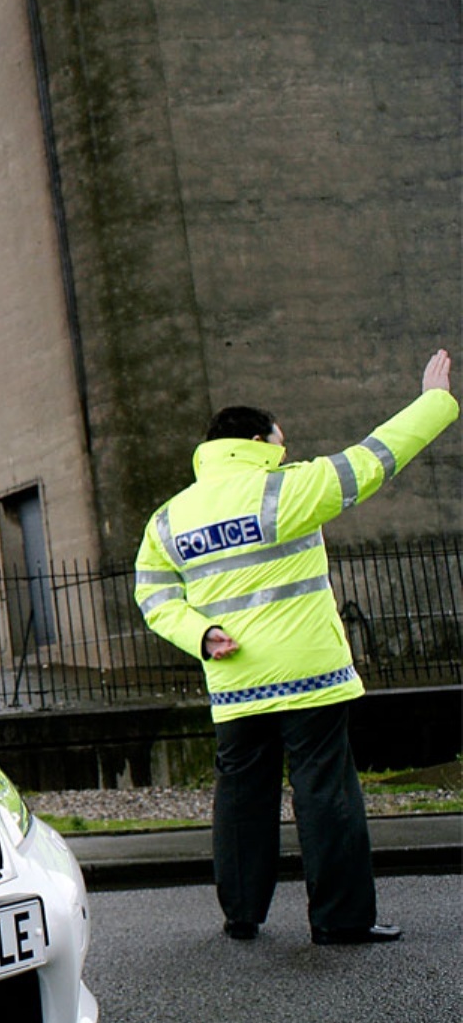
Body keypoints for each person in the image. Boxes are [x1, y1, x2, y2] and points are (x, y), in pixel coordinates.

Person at [133, 350, 456, 946]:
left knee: (240, 801)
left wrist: (200, 635)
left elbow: (152, 598)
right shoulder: (290, 489)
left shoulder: (167, 520)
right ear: (258, 441)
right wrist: (435, 401)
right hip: (309, 676)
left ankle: (242, 915)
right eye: (280, 440)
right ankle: (341, 918)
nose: (286, 448)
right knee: (325, 793)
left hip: (233, 681)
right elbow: (378, 456)